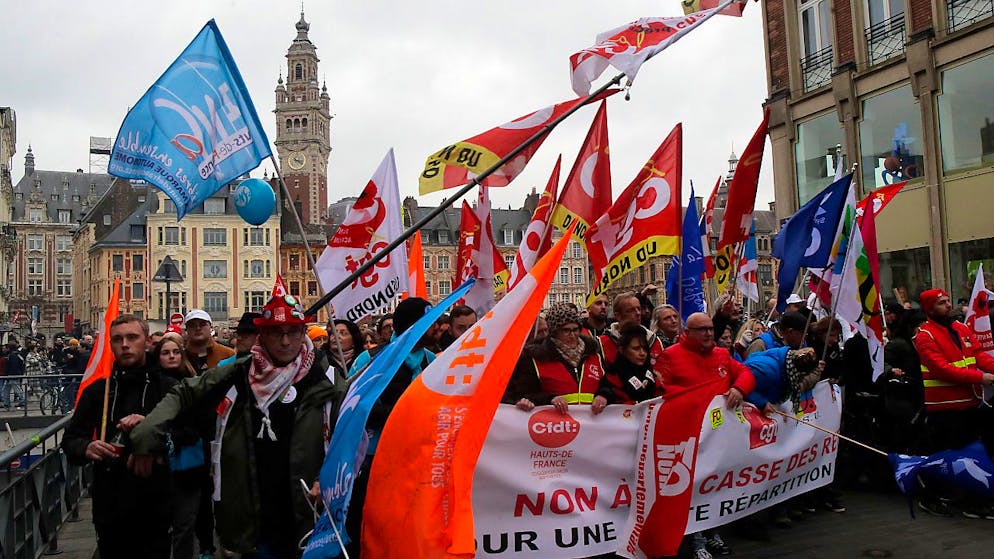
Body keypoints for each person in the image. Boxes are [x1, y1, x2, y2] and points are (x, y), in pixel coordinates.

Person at [131, 287, 343, 557]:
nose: (286, 341)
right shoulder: (238, 372)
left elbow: (346, 437)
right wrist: (146, 436)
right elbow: (184, 393)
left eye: (294, 332)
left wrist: (325, 477)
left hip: (308, 516)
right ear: (263, 335)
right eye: (278, 332)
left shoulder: (325, 380)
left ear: (304, 334)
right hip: (253, 516)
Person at [63, 315, 175, 558]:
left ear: (146, 341)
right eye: (118, 339)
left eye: (132, 338)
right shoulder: (99, 391)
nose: (125, 344)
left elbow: (188, 433)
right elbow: (71, 439)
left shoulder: (166, 388)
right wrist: (87, 447)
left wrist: (151, 425)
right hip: (110, 502)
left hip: (155, 500)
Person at [657, 312, 755, 559]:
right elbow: (661, 390)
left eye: (711, 328)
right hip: (686, 435)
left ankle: (713, 532)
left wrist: (739, 388)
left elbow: (746, 373)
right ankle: (696, 538)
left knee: (715, 485)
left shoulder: (722, 354)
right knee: (692, 489)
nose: (709, 334)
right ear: (687, 332)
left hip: (717, 436)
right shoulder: (671, 355)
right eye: (702, 330)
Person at [913, 288, 994, 518]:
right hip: (945, 409)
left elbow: (980, 357)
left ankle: (973, 498)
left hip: (970, 403)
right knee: (947, 457)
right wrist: (981, 377)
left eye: (948, 301)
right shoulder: (924, 335)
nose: (948, 305)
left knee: (974, 453)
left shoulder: (961, 328)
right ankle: (932, 497)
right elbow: (941, 369)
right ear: (929, 309)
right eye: (941, 303)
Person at [153, 333, 209, 559]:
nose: (171, 356)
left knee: (185, 523)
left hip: (188, 461)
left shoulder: (192, 380)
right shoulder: (152, 383)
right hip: (160, 463)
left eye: (175, 352)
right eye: (166, 353)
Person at [504, 303, 607, 414]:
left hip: (592, 424)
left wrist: (604, 395)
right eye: (566, 330)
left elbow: (608, 384)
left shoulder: (594, 353)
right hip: (555, 425)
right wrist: (549, 399)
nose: (572, 335)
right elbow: (524, 394)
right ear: (554, 332)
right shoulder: (536, 358)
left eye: (575, 329)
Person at [600, 292, 665, 376]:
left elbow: (662, 372)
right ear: (618, 315)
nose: (638, 313)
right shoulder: (603, 342)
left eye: (639, 309)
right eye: (631, 310)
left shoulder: (653, 340)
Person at [596, 324, 660, 404]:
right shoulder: (612, 377)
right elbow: (606, 390)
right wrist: (603, 396)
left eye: (645, 348)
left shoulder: (654, 377)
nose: (642, 353)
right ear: (622, 350)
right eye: (636, 348)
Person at [183, 309, 235, 374]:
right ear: (187, 329)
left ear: (210, 327)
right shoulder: (180, 357)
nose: (198, 328)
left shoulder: (228, 354)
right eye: (192, 325)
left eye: (202, 324)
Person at [743, 311, 808, 357]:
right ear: (790, 331)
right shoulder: (761, 344)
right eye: (803, 334)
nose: (804, 338)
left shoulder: (800, 346)